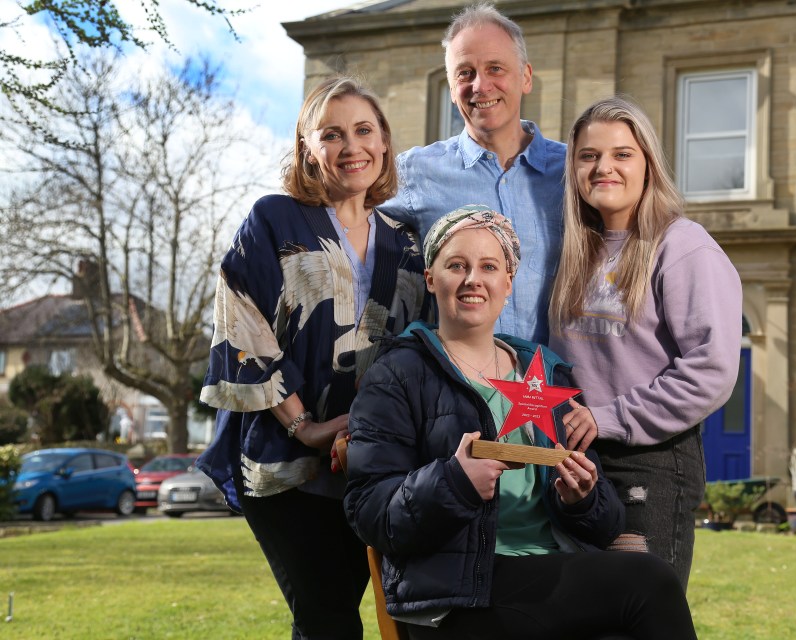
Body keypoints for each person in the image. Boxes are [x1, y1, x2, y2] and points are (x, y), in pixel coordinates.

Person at [344, 205, 697, 640]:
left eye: (489, 266)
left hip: (551, 571)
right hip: (455, 597)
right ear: (432, 278)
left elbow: (605, 523)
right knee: (649, 579)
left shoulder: (547, 374)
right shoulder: (396, 374)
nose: (473, 278)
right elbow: (369, 513)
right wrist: (452, 482)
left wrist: (582, 499)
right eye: (457, 265)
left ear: (507, 283)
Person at [196, 76, 430, 640]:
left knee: (348, 613)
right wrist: (306, 426)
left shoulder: (407, 239)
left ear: (384, 142)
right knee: (326, 616)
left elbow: (419, 341)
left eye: (363, 130)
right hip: (287, 461)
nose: (352, 147)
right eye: (332, 134)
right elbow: (243, 324)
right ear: (307, 148)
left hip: (373, 463)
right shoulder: (276, 218)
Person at [548, 96, 743, 591]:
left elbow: (712, 369)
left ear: (648, 164)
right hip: (575, 458)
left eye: (622, 154)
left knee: (640, 614)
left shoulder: (683, 246)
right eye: (589, 155)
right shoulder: (572, 249)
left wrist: (609, 417)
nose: (603, 167)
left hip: (651, 463)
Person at [378, 2, 564, 345]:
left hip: (552, 386)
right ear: (451, 89)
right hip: (455, 390)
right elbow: (347, 226)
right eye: (465, 73)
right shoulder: (416, 171)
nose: (480, 85)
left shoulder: (572, 172)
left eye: (495, 68)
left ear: (525, 77)